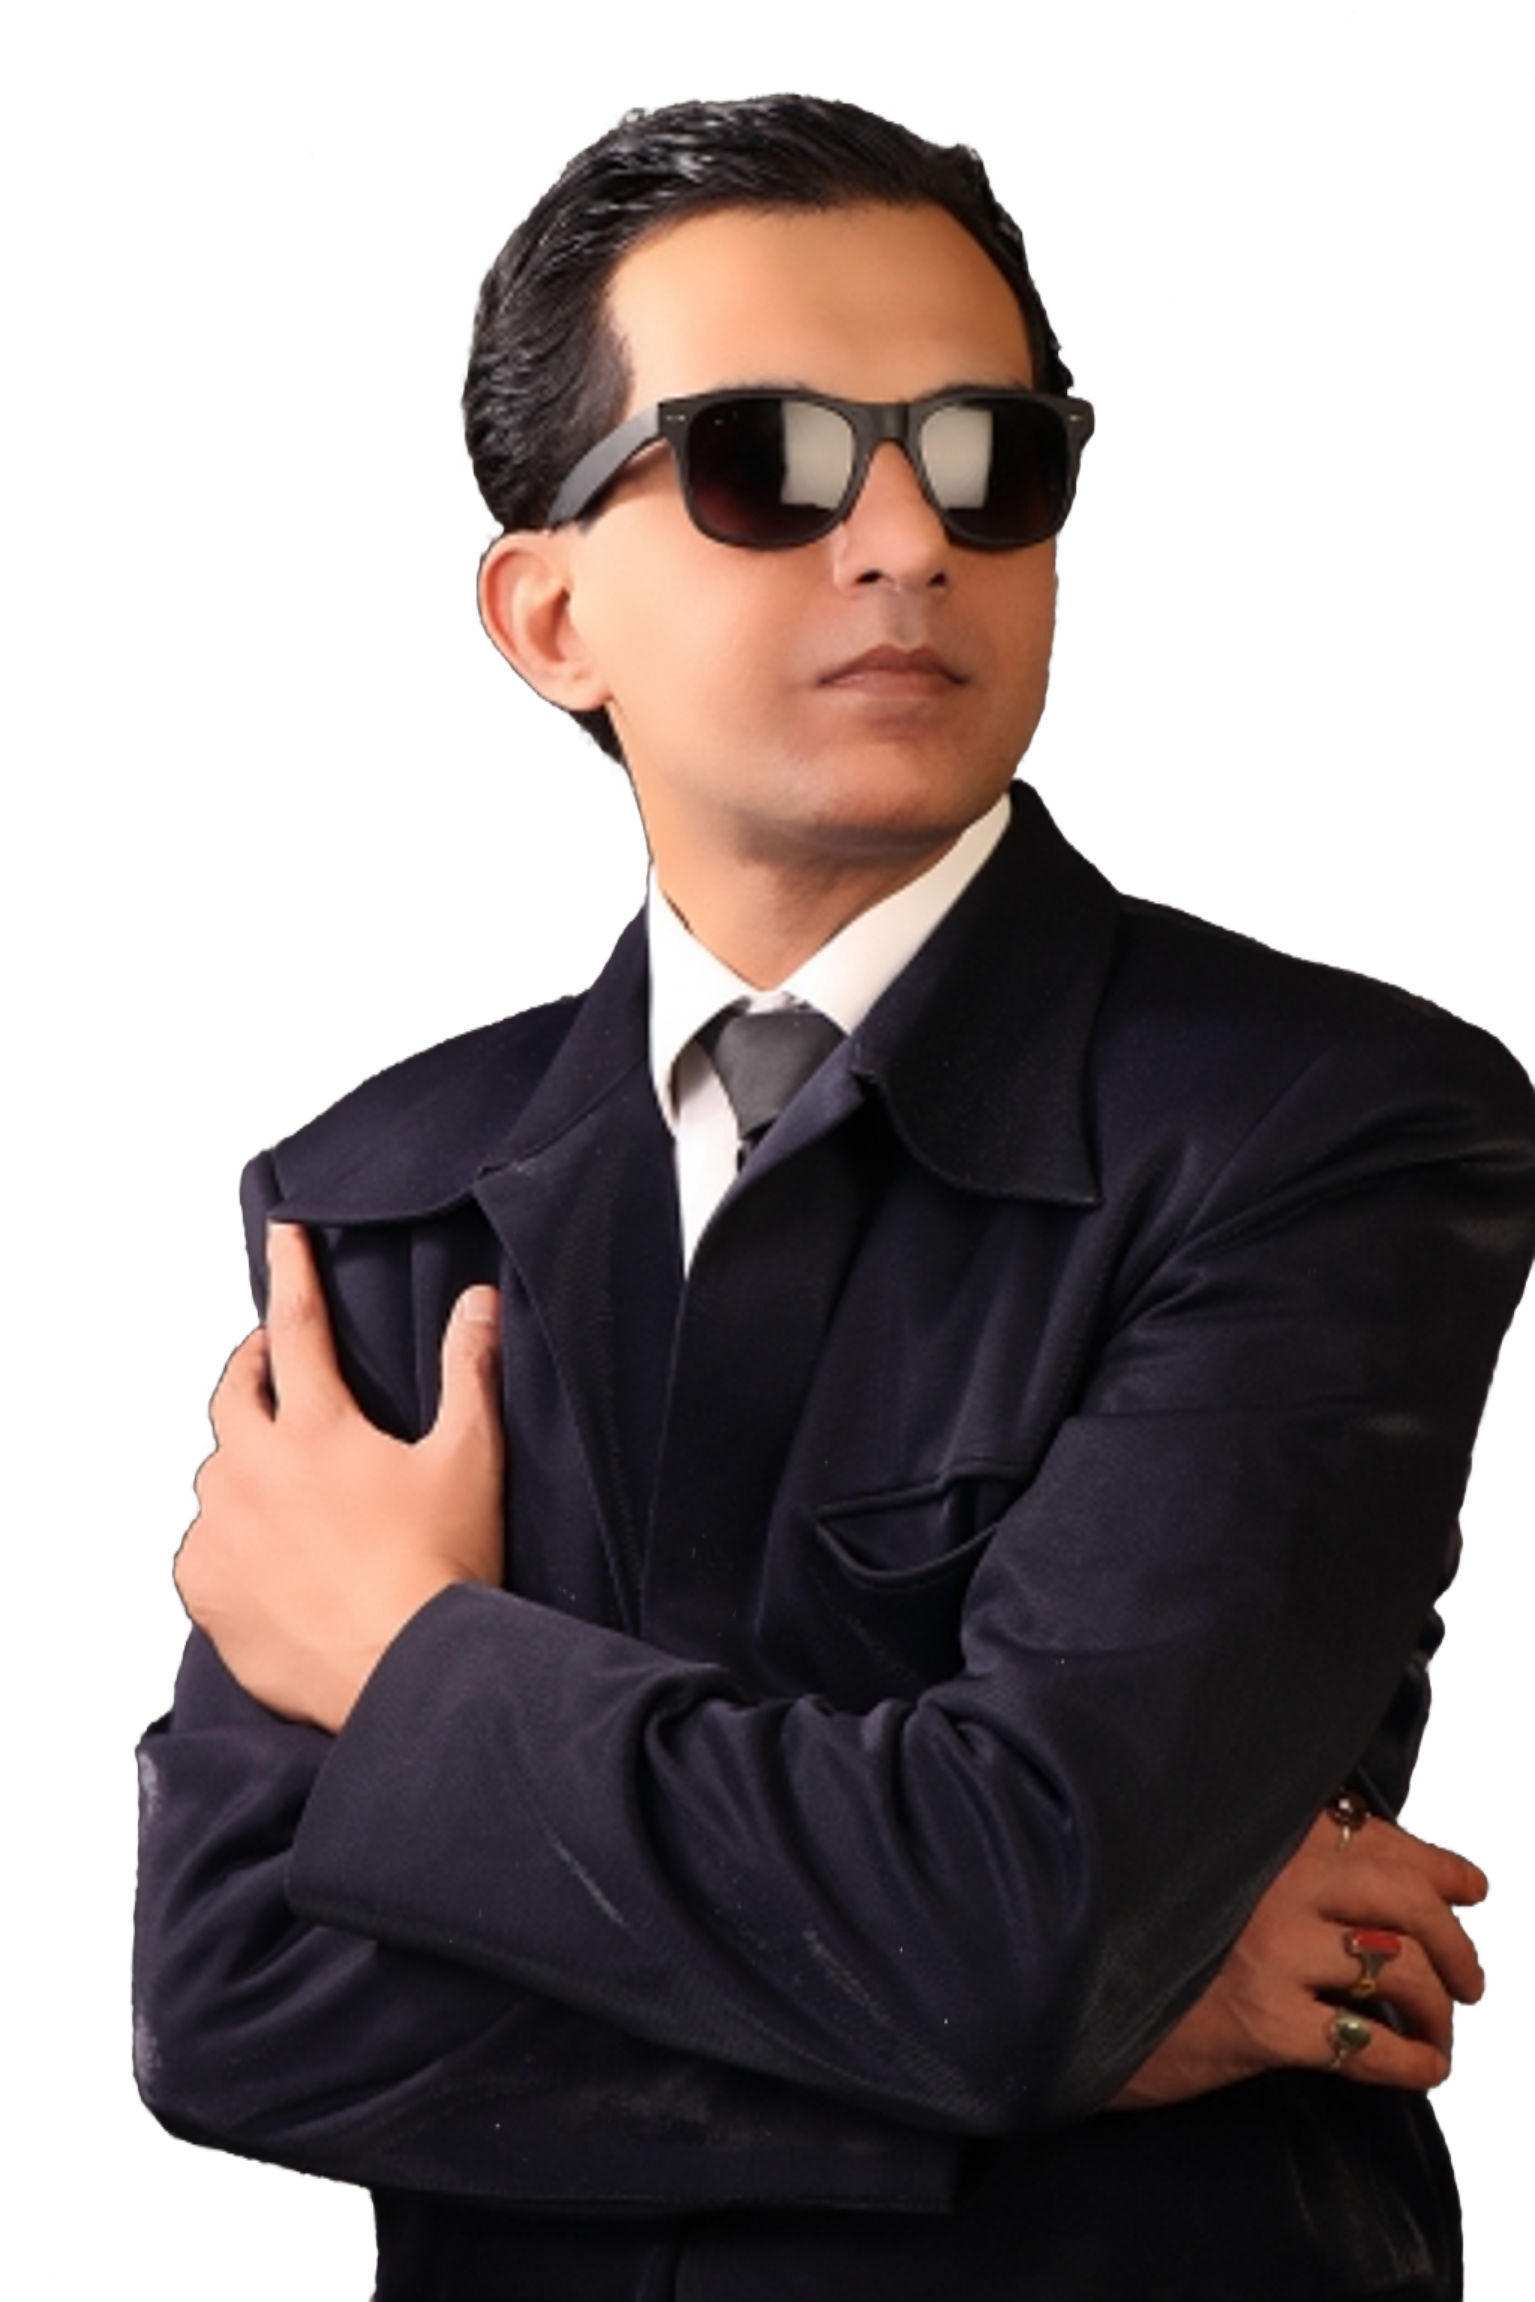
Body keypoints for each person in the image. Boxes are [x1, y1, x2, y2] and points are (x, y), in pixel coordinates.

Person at [134, 95, 1535, 2301]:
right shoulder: (386, 1194)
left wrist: (401, 1655)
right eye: (766, 461)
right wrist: (1081, 2024)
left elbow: (1021, 1917)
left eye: (990, 459)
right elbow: (236, 1997)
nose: (907, 540)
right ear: (548, 611)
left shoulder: (1336, 1126)